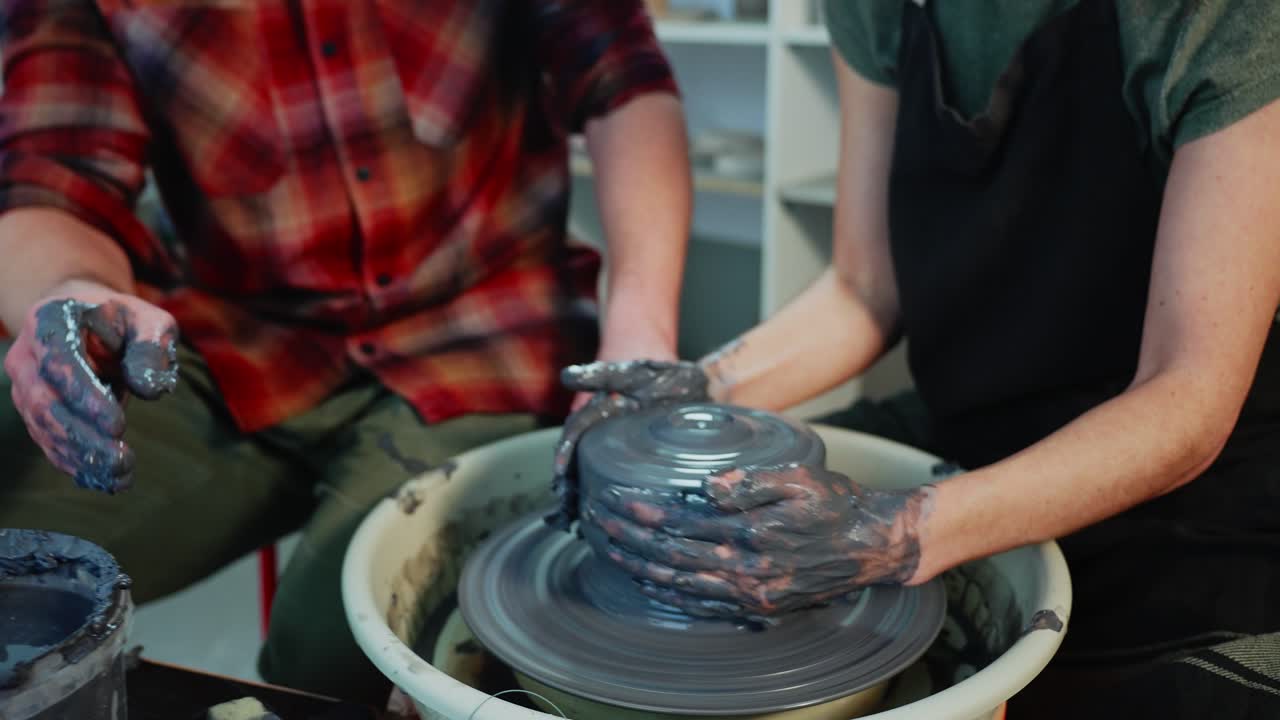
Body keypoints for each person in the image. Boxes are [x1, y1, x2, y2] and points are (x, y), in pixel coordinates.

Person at [556, 0, 1280, 717]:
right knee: (723, 524)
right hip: (972, 431)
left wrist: (902, 536)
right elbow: (863, 290)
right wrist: (694, 390)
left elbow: (1190, 390)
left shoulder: (1219, 13)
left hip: (1189, 497)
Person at [0, 0, 690, 703]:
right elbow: (51, 176)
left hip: (482, 335)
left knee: (336, 654)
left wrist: (638, 327)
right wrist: (71, 296)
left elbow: (623, 79)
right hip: (237, 339)